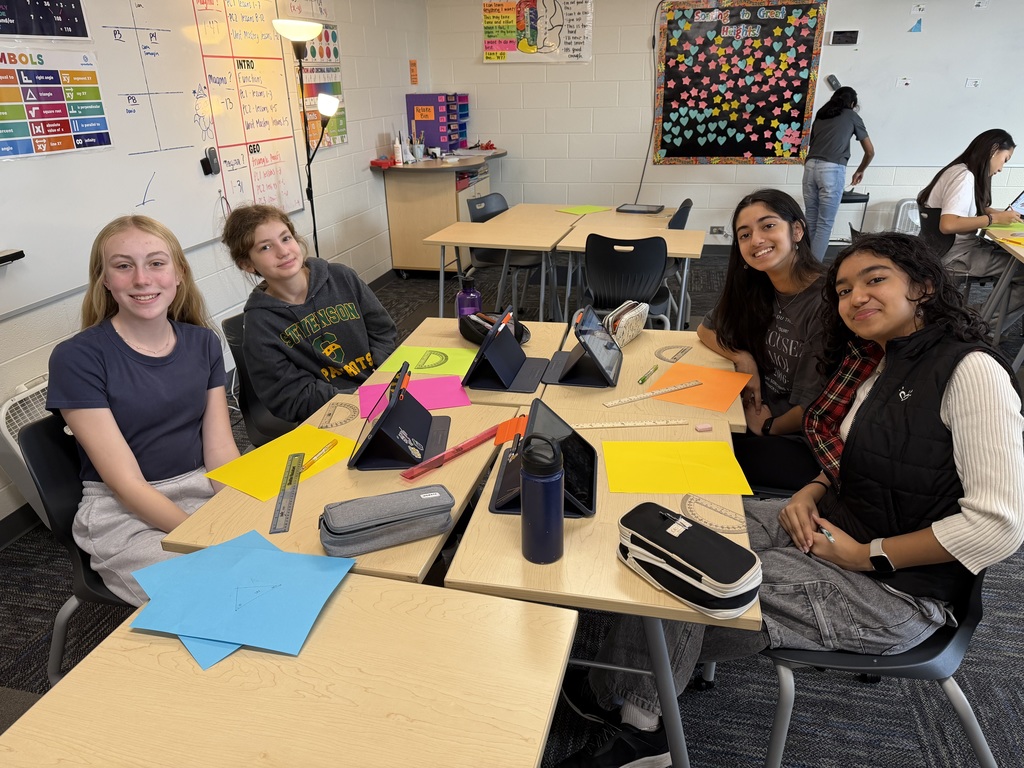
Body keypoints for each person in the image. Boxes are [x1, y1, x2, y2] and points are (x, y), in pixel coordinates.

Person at [557, 233, 1024, 768]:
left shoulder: (971, 372)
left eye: (875, 280)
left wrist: (865, 555)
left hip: (897, 592)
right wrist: (812, 489)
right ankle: (621, 683)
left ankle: (642, 732)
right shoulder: (880, 359)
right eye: (844, 290)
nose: (856, 297)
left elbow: (998, 526)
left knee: (685, 575)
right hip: (832, 524)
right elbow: (860, 458)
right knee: (669, 521)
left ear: (923, 286)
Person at [46, 216, 240, 606]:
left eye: (156, 263)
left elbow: (220, 452)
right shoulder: (77, 358)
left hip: (202, 487)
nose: (141, 279)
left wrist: (242, 512)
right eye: (123, 266)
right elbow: (127, 484)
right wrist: (205, 538)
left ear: (178, 272)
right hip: (124, 512)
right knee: (222, 596)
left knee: (289, 547)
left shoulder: (203, 342)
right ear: (105, 280)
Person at [696, 189, 826, 492]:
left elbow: (815, 407)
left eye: (768, 226)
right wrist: (743, 358)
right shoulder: (759, 284)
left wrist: (769, 426)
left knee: (698, 459)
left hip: (799, 439)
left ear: (796, 230)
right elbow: (705, 330)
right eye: (745, 234)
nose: (756, 240)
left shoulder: (824, 303)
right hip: (754, 413)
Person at [222, 205, 398, 423]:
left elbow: (383, 330)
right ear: (247, 264)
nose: (283, 251)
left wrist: (380, 376)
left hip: (381, 386)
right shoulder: (260, 323)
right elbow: (288, 395)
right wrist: (356, 399)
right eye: (265, 247)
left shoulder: (342, 277)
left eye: (286, 238)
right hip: (331, 414)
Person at [918, 128, 1024, 320]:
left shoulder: (956, 170)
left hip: (941, 250)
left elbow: (961, 209)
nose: (1001, 168)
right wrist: (994, 219)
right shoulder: (964, 177)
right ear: (994, 150)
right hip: (956, 255)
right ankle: (982, 324)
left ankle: (978, 315)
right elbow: (948, 224)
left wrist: (993, 212)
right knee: (1020, 270)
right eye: (1005, 160)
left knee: (1010, 262)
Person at [802, 86, 875, 261]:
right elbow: (870, 151)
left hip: (810, 167)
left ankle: (804, 264)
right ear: (852, 103)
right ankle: (813, 269)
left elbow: (812, 143)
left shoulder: (821, 115)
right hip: (831, 169)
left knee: (810, 219)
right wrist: (860, 170)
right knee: (825, 223)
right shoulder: (852, 116)